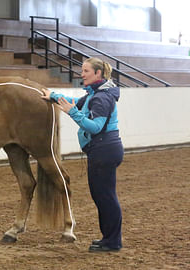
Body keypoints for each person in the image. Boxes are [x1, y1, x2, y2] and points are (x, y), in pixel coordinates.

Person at [41, 57, 124, 252]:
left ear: (98, 74)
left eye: (86, 71)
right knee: (103, 196)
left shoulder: (101, 98)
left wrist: (72, 113)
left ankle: (112, 242)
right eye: (82, 70)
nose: (82, 74)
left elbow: (95, 127)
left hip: (103, 151)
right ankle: (109, 239)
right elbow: (76, 103)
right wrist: (53, 96)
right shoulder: (95, 94)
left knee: (106, 197)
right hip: (104, 150)